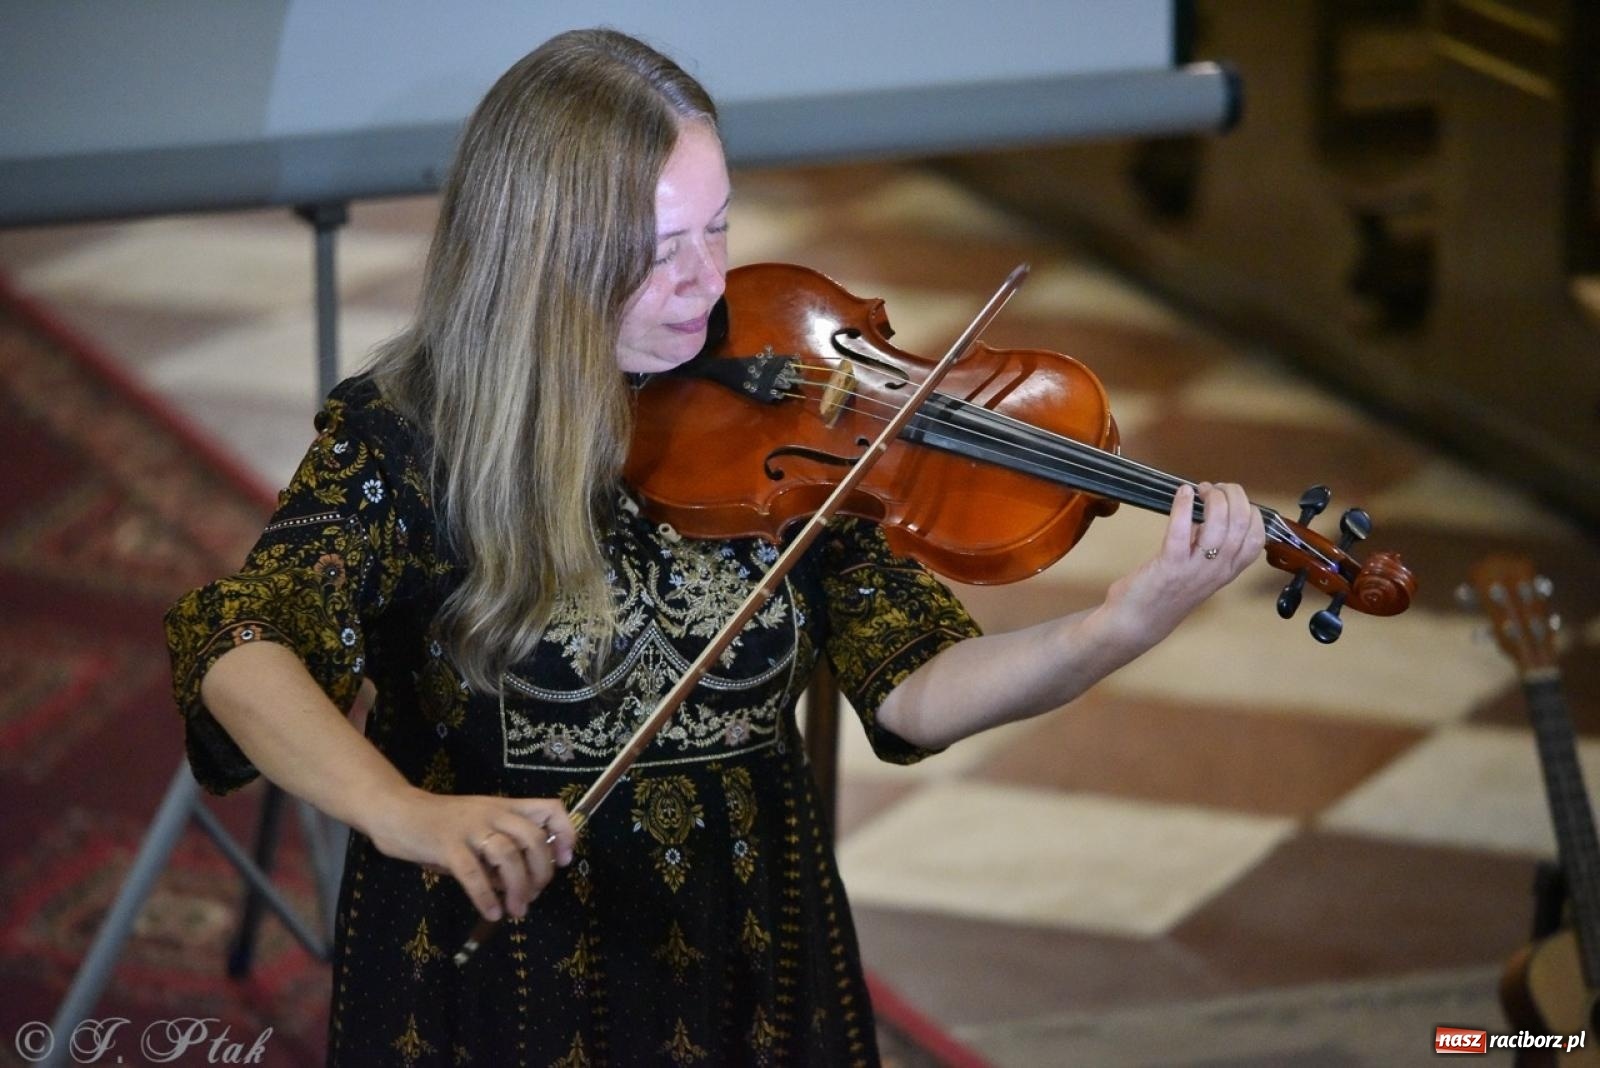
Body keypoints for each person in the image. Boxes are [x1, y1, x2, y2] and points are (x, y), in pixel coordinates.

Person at [165, 27, 1265, 1067]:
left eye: (718, 226)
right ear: (541, 250)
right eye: (654, 251)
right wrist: (406, 815)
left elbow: (914, 690)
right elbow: (242, 648)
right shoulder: (411, 433)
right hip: (501, 976)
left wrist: (1119, 625)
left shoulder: (793, 414)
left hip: (752, 950)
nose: (706, 283)